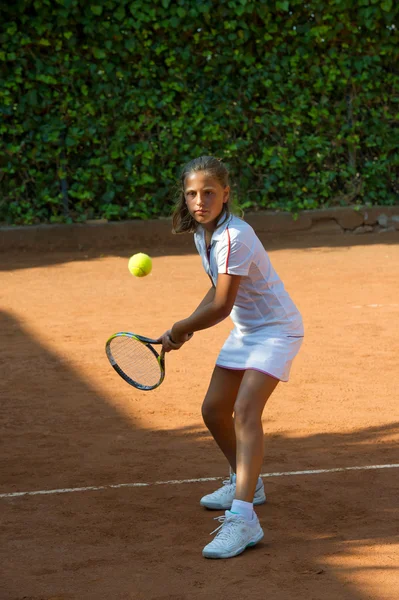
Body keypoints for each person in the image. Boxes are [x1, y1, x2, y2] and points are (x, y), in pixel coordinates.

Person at [158, 156, 304, 559]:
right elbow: (217, 291)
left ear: (225, 193)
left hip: (277, 330)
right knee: (213, 410)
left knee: (244, 411)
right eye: (192, 194)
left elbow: (222, 305)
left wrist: (181, 327)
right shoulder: (203, 235)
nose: (200, 201)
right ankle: (247, 481)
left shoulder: (235, 235)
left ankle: (244, 518)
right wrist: (184, 327)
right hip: (246, 331)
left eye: (208, 192)